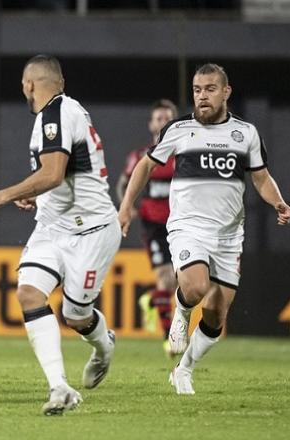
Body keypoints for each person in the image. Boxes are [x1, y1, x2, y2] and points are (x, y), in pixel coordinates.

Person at [118, 63, 290, 395]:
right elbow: (144, 165)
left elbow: (260, 177)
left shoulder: (246, 134)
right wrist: (127, 205)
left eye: (210, 89)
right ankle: (180, 319)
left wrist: (278, 202)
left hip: (229, 236)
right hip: (187, 226)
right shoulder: (179, 129)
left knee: (215, 315)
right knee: (196, 287)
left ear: (226, 92)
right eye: (197, 90)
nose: (202, 96)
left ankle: (183, 370)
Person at [0, 55, 121, 415]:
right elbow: (63, 174)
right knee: (28, 292)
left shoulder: (55, 114)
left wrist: (3, 195)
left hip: (92, 229)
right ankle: (60, 387)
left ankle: (103, 346)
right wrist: (35, 194)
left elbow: (53, 172)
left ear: (28, 85)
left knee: (76, 315)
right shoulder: (60, 112)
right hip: (53, 227)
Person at [116, 99, 178, 356]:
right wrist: (126, 205)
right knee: (166, 277)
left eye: (167, 118)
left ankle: (151, 300)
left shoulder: (184, 155)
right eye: (158, 118)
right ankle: (169, 338)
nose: (162, 122)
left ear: (175, 122)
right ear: (151, 124)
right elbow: (122, 184)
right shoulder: (140, 156)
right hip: (153, 225)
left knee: (181, 283)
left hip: (181, 224)